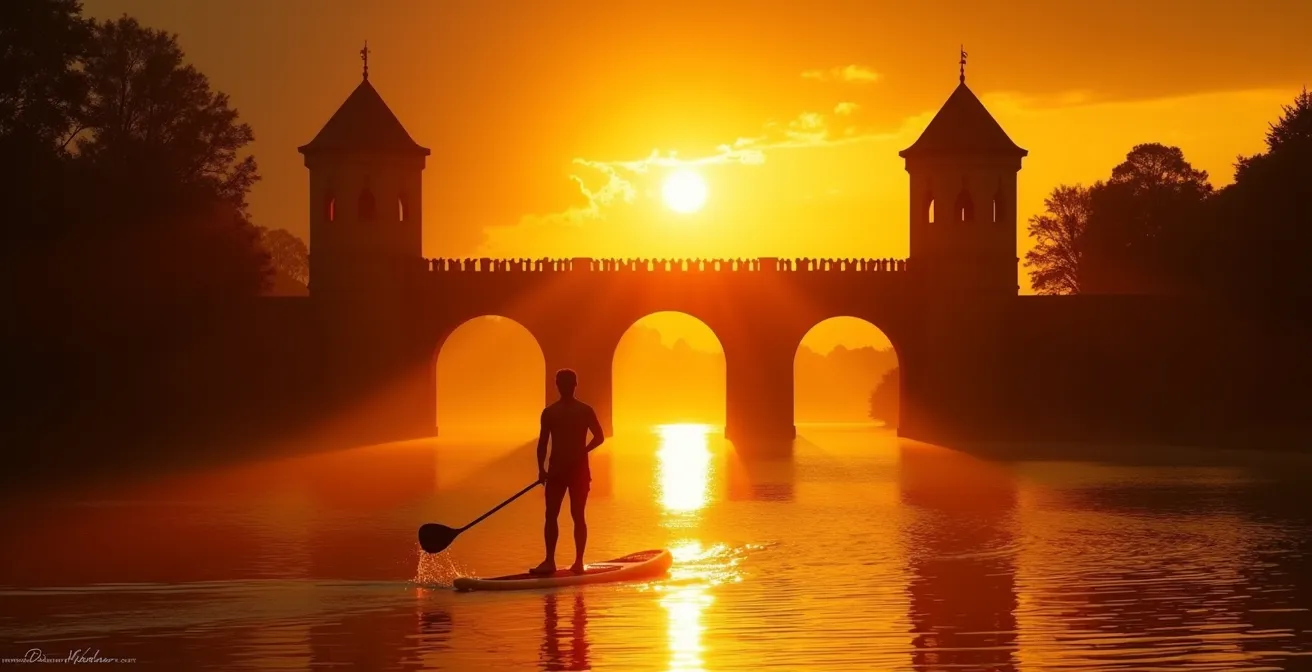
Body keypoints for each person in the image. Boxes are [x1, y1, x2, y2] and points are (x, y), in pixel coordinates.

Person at [530, 368, 604, 576]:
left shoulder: (585, 410)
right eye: (561, 384)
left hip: (579, 471)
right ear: (558, 386)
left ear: (574, 385)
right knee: (550, 514)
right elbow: (542, 444)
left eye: (567, 384)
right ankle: (549, 561)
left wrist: (583, 451)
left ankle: (579, 562)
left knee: (577, 514)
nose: (563, 387)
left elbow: (599, 437)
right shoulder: (549, 412)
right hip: (555, 472)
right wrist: (541, 470)